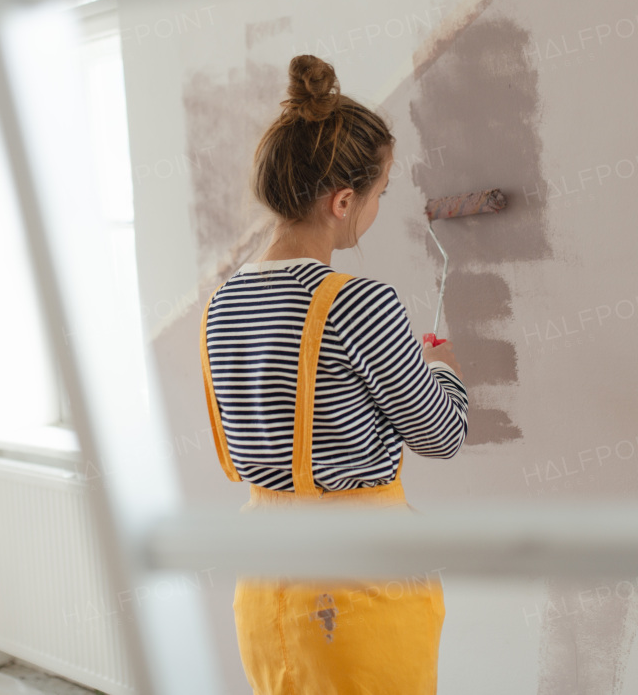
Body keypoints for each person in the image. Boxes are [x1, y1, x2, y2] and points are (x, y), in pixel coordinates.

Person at [199, 54, 469, 693]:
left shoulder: (224, 302)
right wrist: (445, 368)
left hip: (265, 591)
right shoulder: (358, 301)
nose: (376, 209)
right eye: (378, 195)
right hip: (358, 596)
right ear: (342, 200)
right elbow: (441, 435)